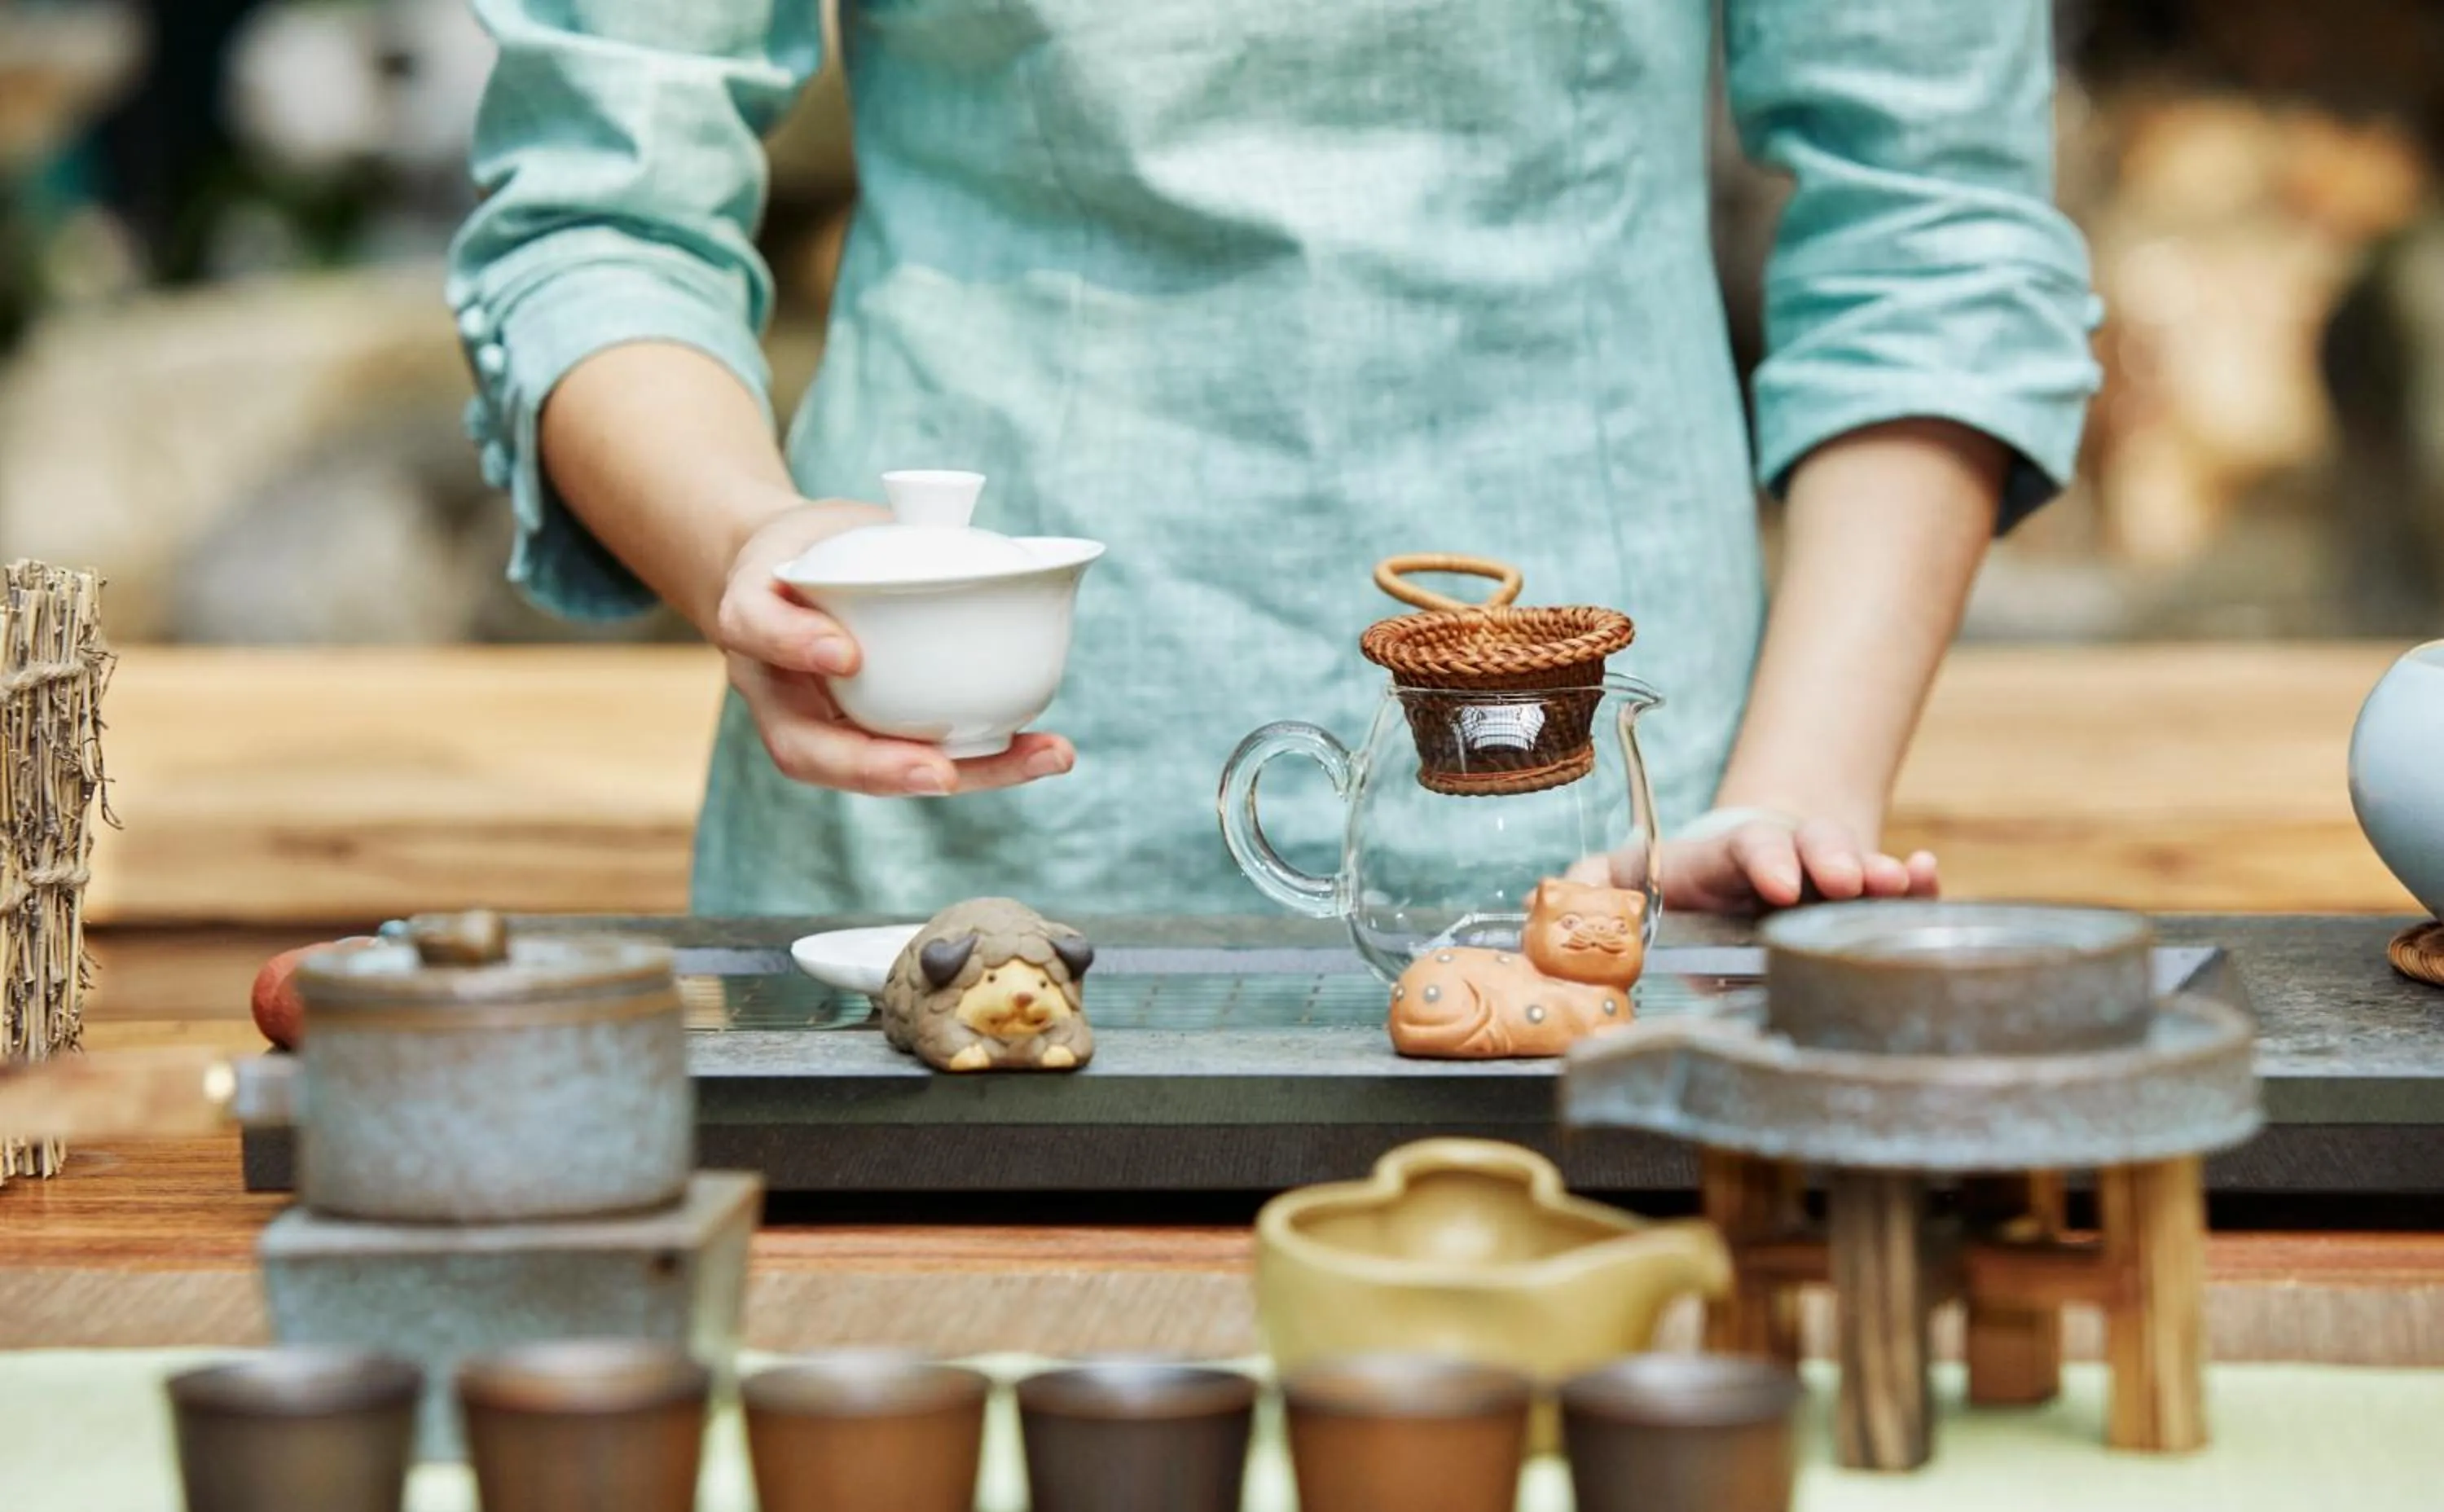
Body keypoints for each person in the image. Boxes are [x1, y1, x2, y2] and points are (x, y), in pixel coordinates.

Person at [446, 0, 2099, 921]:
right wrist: (746, 538)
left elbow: (1929, 219)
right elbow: (604, 205)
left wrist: (1792, 806)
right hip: (931, 850)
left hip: (1612, 857)